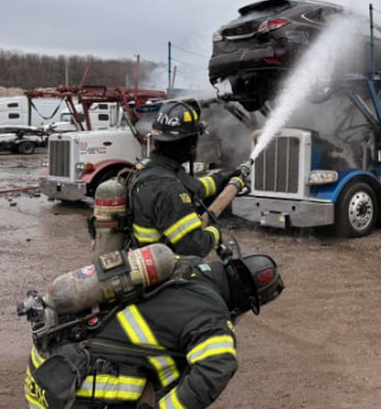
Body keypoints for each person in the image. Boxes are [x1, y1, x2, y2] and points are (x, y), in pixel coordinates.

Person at [23, 251, 284, 409]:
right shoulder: (214, 316)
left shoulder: (185, 264)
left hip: (47, 370)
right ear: (247, 302)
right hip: (80, 388)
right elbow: (215, 369)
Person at [130, 99, 250, 257]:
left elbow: (196, 187)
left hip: (146, 257)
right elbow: (196, 246)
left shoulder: (153, 167)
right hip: (166, 270)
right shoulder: (169, 189)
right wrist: (214, 229)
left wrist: (222, 177)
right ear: (190, 143)